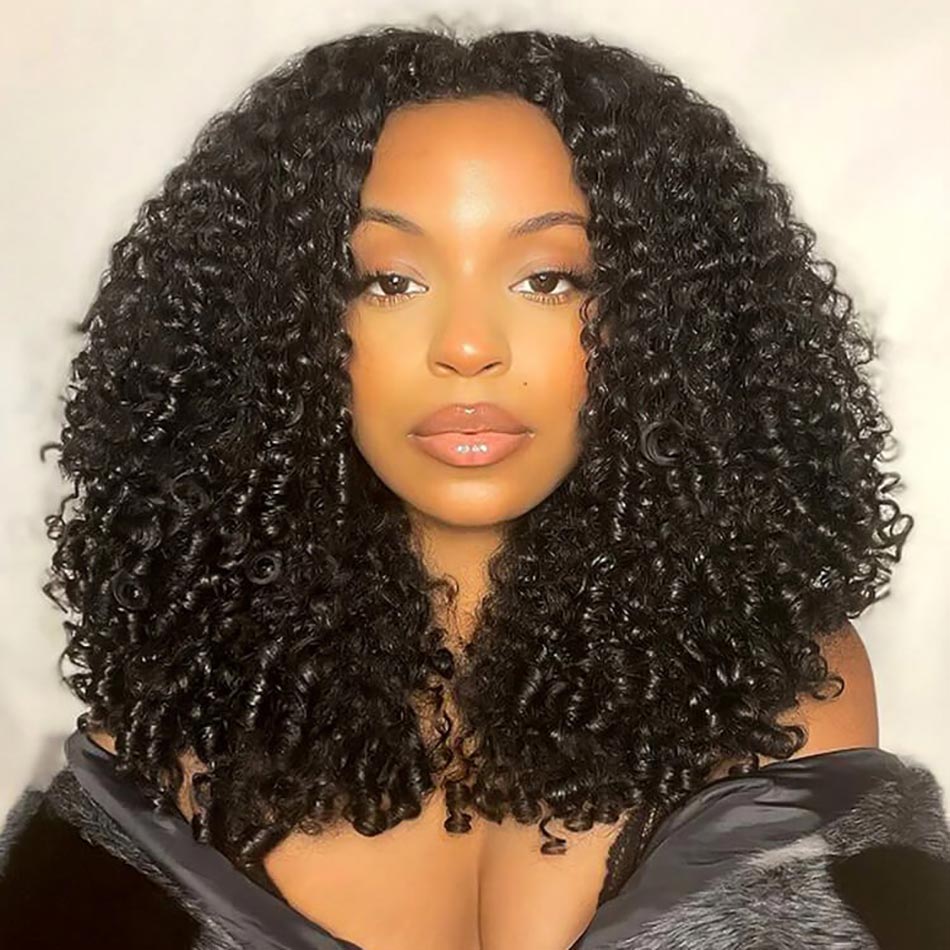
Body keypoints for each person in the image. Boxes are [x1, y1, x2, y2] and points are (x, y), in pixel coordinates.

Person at [1, 20, 948, 950]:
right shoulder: (183, 706)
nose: (465, 346)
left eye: (548, 280)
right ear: (280, 329)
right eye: (390, 282)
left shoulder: (775, 687)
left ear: (661, 324)